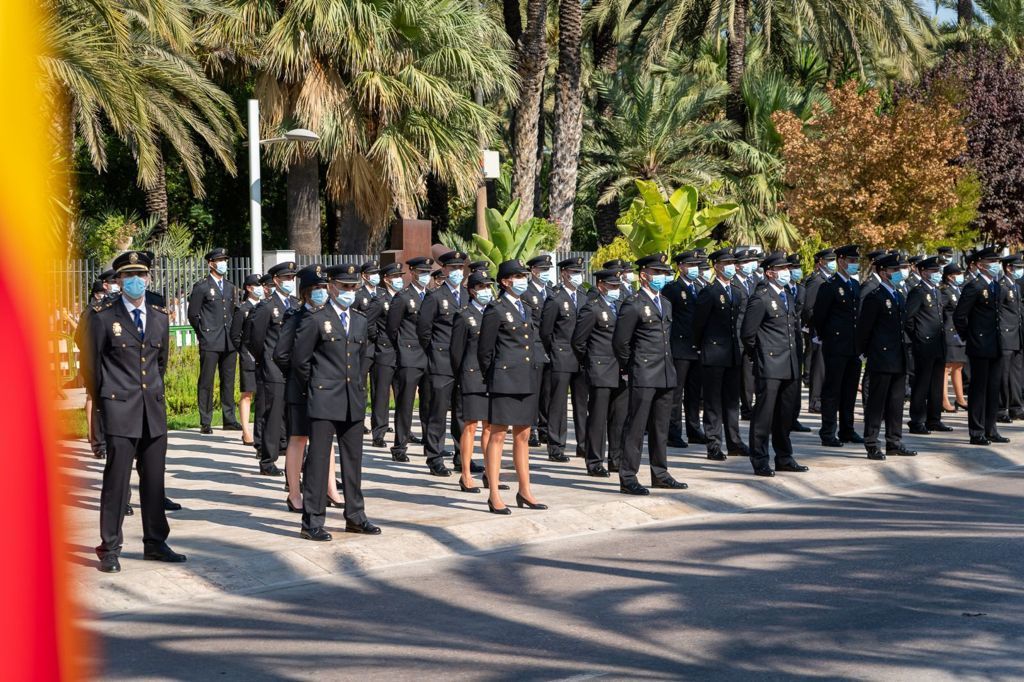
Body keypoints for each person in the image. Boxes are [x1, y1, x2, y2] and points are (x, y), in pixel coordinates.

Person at [85, 250, 185, 573]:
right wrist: (105, 406)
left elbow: (160, 363)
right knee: (117, 481)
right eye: (128, 276)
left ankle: (155, 542)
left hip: (151, 410)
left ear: (149, 278)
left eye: (141, 275)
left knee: (154, 479)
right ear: (118, 281)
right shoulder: (103, 317)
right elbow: (92, 369)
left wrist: (149, 394)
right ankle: (110, 547)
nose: (136, 281)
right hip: (120, 409)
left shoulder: (159, 317)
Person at [291, 263, 381, 540]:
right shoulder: (316, 319)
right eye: (344, 287)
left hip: (353, 397)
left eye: (353, 287)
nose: (349, 292)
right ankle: (313, 520)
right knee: (318, 460)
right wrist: (319, 385)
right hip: (324, 397)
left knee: (353, 460)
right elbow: (300, 361)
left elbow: (364, 355)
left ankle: (355, 515)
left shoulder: (360, 320)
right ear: (331, 286)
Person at [274, 264, 346, 513]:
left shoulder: (332, 316)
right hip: (302, 389)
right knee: (299, 439)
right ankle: (294, 494)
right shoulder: (295, 318)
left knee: (327, 440)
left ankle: (331, 490)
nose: (322, 292)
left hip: (327, 391)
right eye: (316, 288)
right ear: (305, 292)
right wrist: (300, 377)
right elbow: (281, 354)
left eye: (324, 287)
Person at [478, 259, 548, 514]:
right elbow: (485, 351)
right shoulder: (495, 309)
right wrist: (494, 378)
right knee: (498, 435)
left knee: (524, 435)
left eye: (524, 276)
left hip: (527, 377)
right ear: (505, 281)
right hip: (505, 379)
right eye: (517, 276)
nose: (523, 280)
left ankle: (525, 490)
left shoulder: (525, 307)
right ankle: (494, 493)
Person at [613, 253, 686, 494]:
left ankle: (660, 472)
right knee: (636, 426)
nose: (661, 277)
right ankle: (628, 475)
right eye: (656, 273)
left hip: (665, 372)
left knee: (660, 426)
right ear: (643, 275)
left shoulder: (665, 303)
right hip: (644, 372)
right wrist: (632, 366)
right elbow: (621, 342)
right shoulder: (633, 303)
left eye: (664, 273)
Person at [741, 252, 808, 477]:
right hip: (769, 364)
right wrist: (760, 355)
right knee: (764, 416)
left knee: (785, 415)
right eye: (782, 268)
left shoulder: (786, 295)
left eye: (788, 268)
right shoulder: (761, 297)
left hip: (789, 364)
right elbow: (748, 334)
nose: (787, 272)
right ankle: (760, 459)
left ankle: (784, 457)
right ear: (770, 272)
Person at [857, 253, 917, 460]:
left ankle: (894, 441)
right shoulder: (875, 297)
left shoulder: (898, 295)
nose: (898, 273)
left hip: (898, 356)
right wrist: (866, 353)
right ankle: (872, 442)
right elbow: (864, 329)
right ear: (883, 272)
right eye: (893, 270)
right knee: (877, 403)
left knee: (896, 403)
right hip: (881, 357)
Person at [418, 250, 473, 473]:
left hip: (464, 363)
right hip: (441, 362)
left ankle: (463, 457)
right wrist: (435, 352)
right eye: (452, 268)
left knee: (462, 413)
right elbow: (424, 330)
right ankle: (435, 458)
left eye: (460, 268)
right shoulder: (435, 297)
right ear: (444, 270)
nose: (457, 272)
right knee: (437, 413)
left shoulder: (468, 295)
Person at [246, 261, 300, 476]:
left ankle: (290, 450)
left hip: (292, 368)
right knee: (273, 415)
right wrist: (266, 360)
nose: (290, 282)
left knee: (292, 414)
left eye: (292, 278)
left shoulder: (295, 305)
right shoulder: (267, 307)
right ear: (276, 280)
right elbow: (254, 340)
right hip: (272, 368)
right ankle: (268, 460)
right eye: (286, 278)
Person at [694, 248, 747, 461]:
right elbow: (698, 324)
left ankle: (734, 441)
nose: (731, 267)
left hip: (732, 353)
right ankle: (714, 444)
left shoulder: (736, 290)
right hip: (714, 353)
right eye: (726, 263)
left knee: (732, 402)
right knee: (713, 403)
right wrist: (701, 347)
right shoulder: (709, 292)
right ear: (716, 266)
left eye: (733, 263)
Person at [571, 269, 625, 477]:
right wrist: (591, 361)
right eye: (612, 286)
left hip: (620, 370)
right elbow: (578, 341)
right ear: (601, 286)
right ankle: (594, 461)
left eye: (617, 286)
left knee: (619, 417)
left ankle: (616, 459)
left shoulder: (620, 306)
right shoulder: (591, 309)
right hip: (600, 369)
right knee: (598, 418)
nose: (615, 290)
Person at [954, 247, 1010, 446]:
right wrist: (970, 337)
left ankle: (991, 428)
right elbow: (960, 316)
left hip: (995, 343)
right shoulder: (974, 286)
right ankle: (976, 432)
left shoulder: (996, 286)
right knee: (978, 389)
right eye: (991, 261)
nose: (995, 264)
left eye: (996, 261)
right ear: (979, 265)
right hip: (980, 344)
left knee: (993, 388)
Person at [387, 257, 438, 469]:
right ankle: (400, 446)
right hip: (409, 356)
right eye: (421, 271)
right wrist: (402, 349)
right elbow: (392, 328)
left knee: (429, 403)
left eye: (428, 271)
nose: (425, 275)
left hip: (430, 356)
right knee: (405, 404)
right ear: (413, 272)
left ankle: (430, 444)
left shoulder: (433, 296)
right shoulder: (403, 297)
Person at [812, 243, 864, 447]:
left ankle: (847, 429)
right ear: (841, 261)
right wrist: (829, 338)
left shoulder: (855, 285)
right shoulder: (829, 286)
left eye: (856, 261)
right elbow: (820, 317)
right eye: (851, 261)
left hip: (852, 346)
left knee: (849, 390)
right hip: (835, 345)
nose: (854, 265)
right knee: (832, 390)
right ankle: (828, 431)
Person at [187, 247, 241, 434]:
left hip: (229, 341)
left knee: (228, 381)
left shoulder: (230, 287)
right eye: (220, 260)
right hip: (210, 340)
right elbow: (193, 314)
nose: (223, 263)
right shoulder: (202, 286)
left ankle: (229, 418)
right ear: (211, 263)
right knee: (207, 381)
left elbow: (234, 313)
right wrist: (203, 334)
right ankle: (206, 420)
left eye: (225, 260)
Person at [540, 256, 589, 463]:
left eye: (579, 272)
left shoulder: (584, 297)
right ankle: (556, 446)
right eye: (574, 272)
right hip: (561, 355)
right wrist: (555, 352)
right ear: (564, 274)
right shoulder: (556, 298)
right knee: (558, 404)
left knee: (581, 403)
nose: (577, 276)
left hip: (581, 357)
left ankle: (583, 444)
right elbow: (546, 331)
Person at [450, 271, 495, 492]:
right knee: (471, 427)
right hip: (471, 374)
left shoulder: (494, 312)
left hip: (491, 376)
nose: (486, 291)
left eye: (488, 287)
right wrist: (462, 376)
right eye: (482, 287)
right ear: (472, 291)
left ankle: (490, 472)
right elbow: (456, 352)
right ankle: (466, 474)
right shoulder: (464, 315)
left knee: (490, 427)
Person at [663, 251, 707, 448]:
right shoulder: (672, 289)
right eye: (690, 265)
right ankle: (673, 432)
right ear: (680, 267)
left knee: (694, 392)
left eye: (696, 265)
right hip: (680, 347)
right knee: (676, 392)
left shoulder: (699, 287)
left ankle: (694, 429)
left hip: (697, 347)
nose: (694, 269)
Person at [905, 257, 951, 434]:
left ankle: (934, 419)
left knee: (936, 384)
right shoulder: (918, 292)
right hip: (924, 345)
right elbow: (908, 318)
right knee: (921, 384)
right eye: (934, 271)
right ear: (923, 272)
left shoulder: (936, 292)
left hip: (938, 344)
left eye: (938, 271)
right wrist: (918, 337)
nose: (938, 275)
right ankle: (917, 421)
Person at [77, 277, 112, 459]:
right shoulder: (91, 311)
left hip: (111, 363)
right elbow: (79, 338)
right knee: (98, 402)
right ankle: (98, 444)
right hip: (95, 363)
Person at [369, 263, 403, 447]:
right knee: (381, 394)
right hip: (384, 351)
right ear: (386, 279)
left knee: (402, 395)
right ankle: (379, 433)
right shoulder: (380, 300)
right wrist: (379, 338)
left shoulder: (403, 298)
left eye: (400, 275)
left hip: (402, 352)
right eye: (395, 276)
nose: (398, 279)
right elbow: (368, 323)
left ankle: (402, 432)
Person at [230, 274, 263, 446]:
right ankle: (246, 432)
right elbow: (235, 336)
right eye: (257, 285)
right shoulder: (242, 309)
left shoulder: (265, 306)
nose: (261, 288)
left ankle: (261, 430)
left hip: (265, 357)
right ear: (249, 288)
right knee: (247, 394)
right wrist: (245, 352)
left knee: (264, 395)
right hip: (248, 356)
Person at [524, 254, 554, 447]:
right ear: (533, 271)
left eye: (547, 270)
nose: (545, 273)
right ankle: (532, 428)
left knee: (547, 391)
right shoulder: (526, 292)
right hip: (534, 345)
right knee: (534, 390)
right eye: (542, 270)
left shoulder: (552, 291)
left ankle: (544, 428)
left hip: (550, 346)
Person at [802, 250, 835, 414]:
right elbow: (808, 308)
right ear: (821, 262)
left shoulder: (829, 279)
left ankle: (822, 399)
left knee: (826, 367)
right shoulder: (817, 280)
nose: (832, 263)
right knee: (819, 368)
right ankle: (815, 401)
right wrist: (816, 328)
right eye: (829, 260)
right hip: (819, 331)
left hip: (829, 331)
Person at [355, 261, 382, 434]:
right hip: (364, 347)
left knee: (380, 390)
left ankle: (379, 425)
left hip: (380, 347)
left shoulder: (383, 293)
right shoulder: (358, 295)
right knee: (361, 387)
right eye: (372, 273)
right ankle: (359, 420)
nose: (375, 276)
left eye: (377, 273)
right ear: (364, 276)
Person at [784, 253, 811, 432]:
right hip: (782, 340)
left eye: (797, 268)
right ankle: (783, 418)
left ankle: (794, 416)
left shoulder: (801, 288)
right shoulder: (781, 289)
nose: (795, 271)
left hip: (797, 337)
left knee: (796, 379)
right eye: (792, 268)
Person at [733, 248, 760, 420]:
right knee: (743, 375)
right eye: (745, 262)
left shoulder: (755, 280)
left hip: (753, 334)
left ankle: (751, 405)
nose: (749, 265)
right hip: (737, 334)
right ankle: (746, 407)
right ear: (737, 266)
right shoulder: (733, 282)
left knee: (751, 373)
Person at [997, 254, 1024, 423]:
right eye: (1018, 267)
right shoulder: (1002, 286)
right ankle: (1001, 409)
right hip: (1006, 335)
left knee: (1016, 373)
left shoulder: (1015, 286)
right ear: (1008, 268)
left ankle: (1016, 407)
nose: (1020, 271)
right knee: (1003, 374)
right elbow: (997, 311)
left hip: (1017, 335)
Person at [940, 263, 969, 413]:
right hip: (949, 331)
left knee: (959, 365)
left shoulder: (958, 289)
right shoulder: (944, 291)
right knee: (946, 368)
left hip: (959, 332)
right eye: (958, 274)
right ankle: (944, 400)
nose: (960, 276)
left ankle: (960, 398)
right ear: (950, 276)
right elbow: (940, 311)